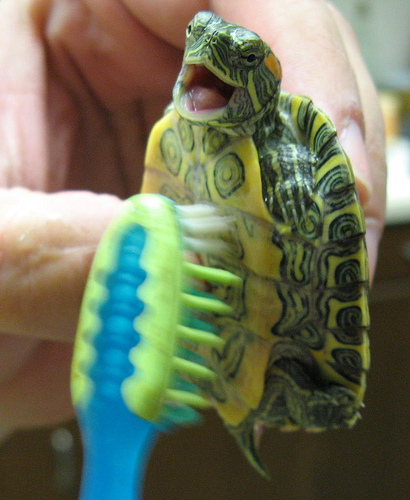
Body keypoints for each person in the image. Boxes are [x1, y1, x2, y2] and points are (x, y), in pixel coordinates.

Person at [0, 0, 386, 431]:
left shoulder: (289, 148)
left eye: (246, 58)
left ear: (266, 81)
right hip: (204, 329)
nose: (207, 47)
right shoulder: (167, 126)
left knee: (316, 393)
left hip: (292, 330)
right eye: (195, 37)